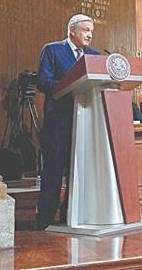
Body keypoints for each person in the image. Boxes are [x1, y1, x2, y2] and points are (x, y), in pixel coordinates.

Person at [36, 14, 99, 229]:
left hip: (86, 122)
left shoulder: (94, 56)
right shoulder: (53, 50)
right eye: (86, 30)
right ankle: (44, 219)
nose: (89, 35)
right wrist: (69, 87)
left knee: (78, 172)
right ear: (72, 30)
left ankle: (70, 216)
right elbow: (43, 81)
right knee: (54, 171)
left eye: (91, 31)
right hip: (59, 122)